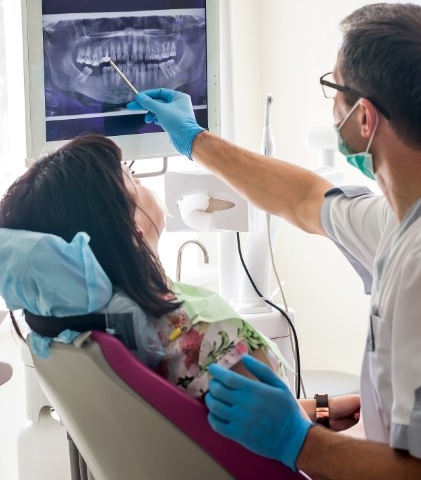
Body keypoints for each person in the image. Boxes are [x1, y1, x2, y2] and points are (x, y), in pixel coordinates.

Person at [126, 2, 421, 480]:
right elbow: (303, 198)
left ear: (364, 118)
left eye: (334, 88)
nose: (332, 104)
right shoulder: (415, 216)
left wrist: (299, 440)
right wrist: (194, 139)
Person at [0, 134, 286, 399]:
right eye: (133, 180)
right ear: (133, 228)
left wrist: (326, 406)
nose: (143, 185)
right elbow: (291, 436)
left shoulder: (70, 336)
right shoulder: (212, 341)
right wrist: (325, 412)